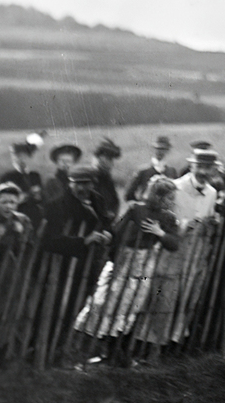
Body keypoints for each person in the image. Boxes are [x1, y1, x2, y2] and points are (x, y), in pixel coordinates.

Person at [75, 175, 183, 344]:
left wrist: (160, 233)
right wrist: (111, 250)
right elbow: (117, 232)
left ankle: (116, 342)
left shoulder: (168, 218)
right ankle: (92, 339)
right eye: (169, 198)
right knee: (107, 297)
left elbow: (174, 244)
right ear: (158, 196)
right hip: (123, 261)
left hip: (146, 265)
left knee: (133, 302)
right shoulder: (136, 210)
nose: (173, 201)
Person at [0, 134, 47, 224]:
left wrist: (38, 195)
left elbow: (42, 198)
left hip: (34, 217)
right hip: (15, 218)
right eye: (17, 156)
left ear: (29, 157)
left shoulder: (35, 176)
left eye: (24, 156)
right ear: (13, 158)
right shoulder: (7, 177)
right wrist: (27, 195)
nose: (21, 160)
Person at [172, 149, 221, 227]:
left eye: (208, 168)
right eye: (199, 166)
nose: (203, 172)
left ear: (214, 170)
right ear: (191, 167)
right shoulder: (175, 187)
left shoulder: (212, 193)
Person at [126, 135, 178, 203]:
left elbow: (176, 193)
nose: (160, 152)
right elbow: (129, 194)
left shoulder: (171, 171)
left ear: (167, 150)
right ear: (153, 149)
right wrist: (139, 206)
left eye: (163, 149)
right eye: (158, 149)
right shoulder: (143, 170)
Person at [89, 137, 123, 219]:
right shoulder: (89, 177)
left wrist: (112, 214)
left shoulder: (107, 178)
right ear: (98, 158)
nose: (111, 163)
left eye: (111, 159)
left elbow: (115, 201)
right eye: (108, 158)